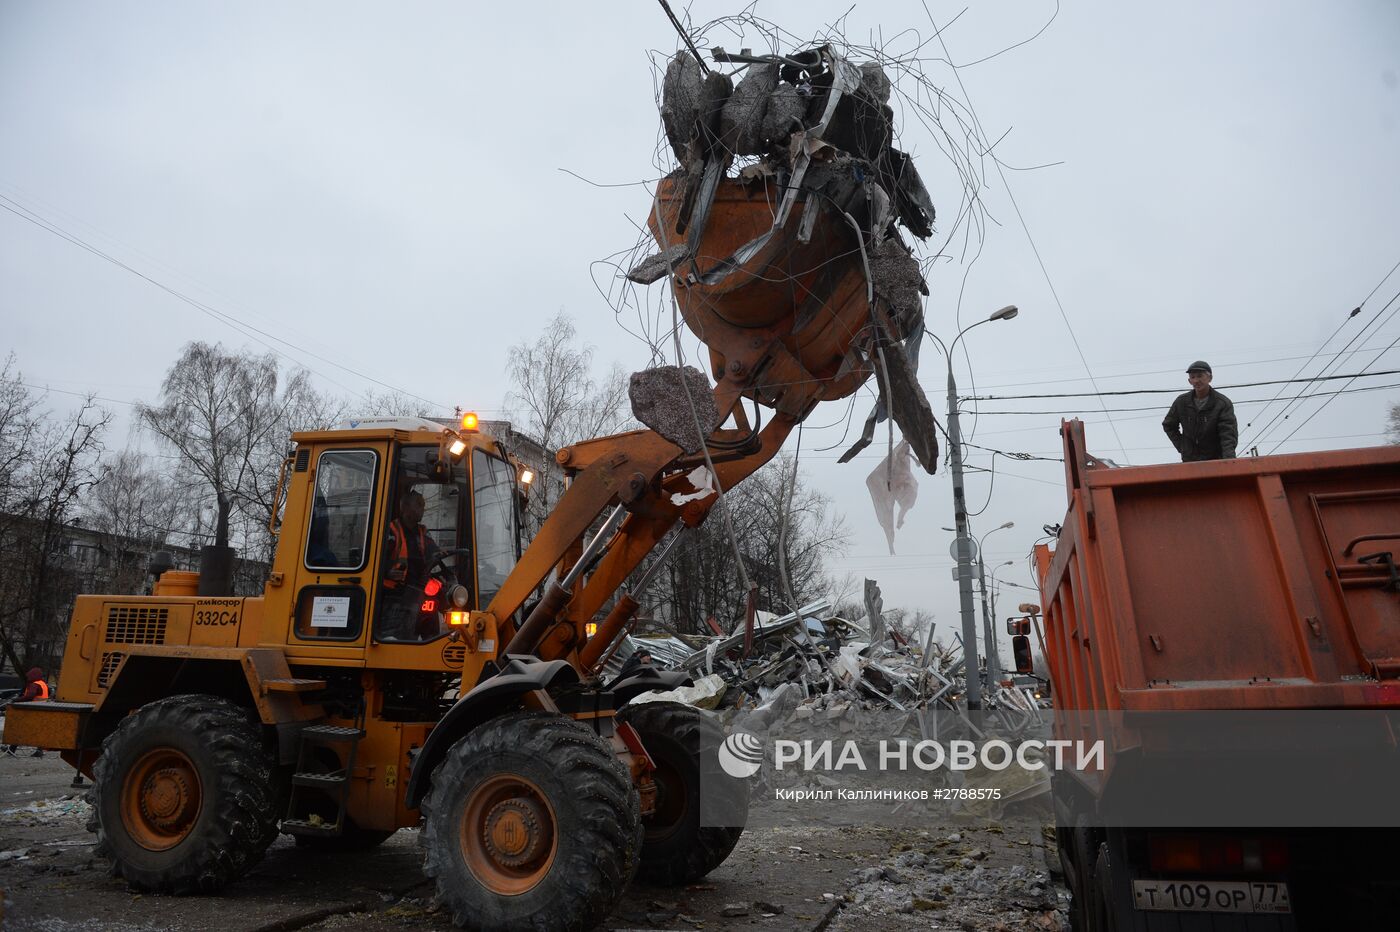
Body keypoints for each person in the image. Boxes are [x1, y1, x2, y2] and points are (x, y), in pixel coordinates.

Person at [379, 490, 441, 640]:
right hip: (394, 596)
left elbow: (436, 553)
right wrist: (387, 571)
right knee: (397, 638)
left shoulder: (423, 532)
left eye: (423, 505)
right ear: (405, 507)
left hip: (418, 592)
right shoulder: (391, 531)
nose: (423, 509)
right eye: (419, 505)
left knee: (433, 634)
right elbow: (377, 559)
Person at [1162, 360, 1237, 461]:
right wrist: (1183, 447)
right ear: (1189, 381)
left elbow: (1228, 435)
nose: (1197, 380)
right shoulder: (1181, 402)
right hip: (1190, 462)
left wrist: (1229, 461)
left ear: (1210, 378)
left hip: (1216, 460)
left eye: (1200, 376)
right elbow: (1169, 425)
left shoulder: (1222, 403)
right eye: (1193, 377)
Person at [4, 667, 49, 757]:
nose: (28, 678)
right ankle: (38, 750)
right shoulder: (43, 684)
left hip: (32, 711)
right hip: (41, 711)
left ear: (33, 676)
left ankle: (12, 749)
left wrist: (16, 700)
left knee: (20, 729)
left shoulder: (34, 685)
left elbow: (29, 696)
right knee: (36, 730)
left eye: (29, 676)